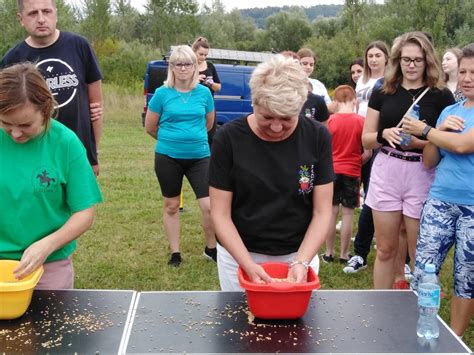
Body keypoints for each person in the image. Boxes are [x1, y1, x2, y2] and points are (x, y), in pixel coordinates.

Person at [209, 55, 334, 291]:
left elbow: (322, 210)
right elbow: (220, 213)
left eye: (286, 118)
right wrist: (247, 263)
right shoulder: (229, 139)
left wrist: (301, 261)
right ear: (254, 104)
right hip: (239, 255)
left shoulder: (317, 137)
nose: (276, 127)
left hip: (298, 255)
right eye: (267, 117)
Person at [362, 32, 455, 289]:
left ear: (428, 61)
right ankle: (380, 311)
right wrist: (384, 134)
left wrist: (420, 142)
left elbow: (446, 144)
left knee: (419, 253)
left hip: (422, 171)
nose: (411, 65)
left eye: (417, 60)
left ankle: (417, 312)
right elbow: (366, 139)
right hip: (387, 168)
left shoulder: (441, 95)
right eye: (406, 60)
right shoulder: (383, 89)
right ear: (397, 60)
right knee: (384, 250)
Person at [0, 63, 102, 289]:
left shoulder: (65, 143)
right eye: (6, 124)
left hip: (48, 264)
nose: (16, 134)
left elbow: (84, 212)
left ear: (46, 109)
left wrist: (47, 245)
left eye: (26, 125)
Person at [402, 43, 474, 337]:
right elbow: (430, 160)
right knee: (423, 273)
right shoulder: (449, 111)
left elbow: (462, 145)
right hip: (440, 202)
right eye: (464, 71)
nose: (468, 78)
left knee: (466, 279)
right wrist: (439, 129)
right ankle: (422, 331)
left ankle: (454, 341)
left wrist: (427, 131)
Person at [1, 0, 103, 176]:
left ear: (56, 14)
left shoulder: (79, 46)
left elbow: (96, 107)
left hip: (76, 150)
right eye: (33, 13)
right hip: (32, 152)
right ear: (21, 19)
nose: (41, 19)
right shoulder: (13, 58)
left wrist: (93, 155)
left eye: (46, 11)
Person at [144, 45, 216, 267]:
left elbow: (209, 123)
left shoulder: (204, 93)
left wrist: (192, 139)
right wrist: (170, 141)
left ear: (195, 67)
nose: (183, 68)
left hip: (200, 157)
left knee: (209, 206)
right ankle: (175, 252)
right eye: (178, 64)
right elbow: (150, 126)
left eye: (188, 63)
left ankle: (211, 248)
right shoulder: (162, 94)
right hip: (168, 157)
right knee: (172, 205)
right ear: (171, 67)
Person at [344, 41, 390, 274]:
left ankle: (380, 250)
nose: (373, 59)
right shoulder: (361, 81)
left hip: (379, 146)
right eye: (370, 55)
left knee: (375, 199)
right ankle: (360, 252)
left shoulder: (391, 82)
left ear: (387, 58)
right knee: (359, 197)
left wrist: (371, 145)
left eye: (378, 55)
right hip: (357, 142)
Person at [322, 85, 368, 264]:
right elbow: (367, 153)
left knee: (331, 213)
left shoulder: (330, 122)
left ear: (336, 101)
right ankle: (344, 254)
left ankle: (328, 252)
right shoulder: (361, 121)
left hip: (331, 171)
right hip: (352, 171)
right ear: (354, 100)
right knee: (348, 214)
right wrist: (356, 162)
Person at [192, 37, 221, 146]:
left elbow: (219, 87)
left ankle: (208, 160)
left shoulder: (210, 66)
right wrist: (195, 81)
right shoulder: (188, 66)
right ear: (194, 52)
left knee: (210, 136)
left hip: (209, 106)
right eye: (201, 54)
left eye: (205, 55)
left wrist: (211, 83)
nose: (203, 57)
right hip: (193, 105)